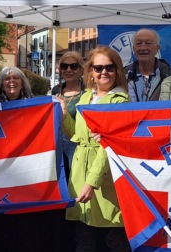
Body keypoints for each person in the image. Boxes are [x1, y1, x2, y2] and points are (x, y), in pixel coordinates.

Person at [59, 45, 131, 251]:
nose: (103, 73)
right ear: (90, 71)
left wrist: (92, 183)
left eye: (109, 67)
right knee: (84, 238)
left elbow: (108, 147)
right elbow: (76, 135)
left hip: (105, 179)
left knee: (113, 239)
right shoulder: (85, 97)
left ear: (117, 70)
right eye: (98, 68)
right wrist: (64, 116)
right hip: (80, 173)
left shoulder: (120, 101)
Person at [0, 67, 51, 252]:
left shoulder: (34, 106)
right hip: (1, 177)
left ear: (22, 82)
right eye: (7, 78)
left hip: (27, 176)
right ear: (1, 84)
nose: (11, 81)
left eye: (16, 78)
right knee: (3, 229)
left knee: (28, 230)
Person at [50, 51, 85, 251]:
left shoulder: (88, 93)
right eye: (65, 66)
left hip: (78, 153)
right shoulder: (55, 90)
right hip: (59, 154)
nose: (69, 70)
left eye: (73, 66)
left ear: (81, 69)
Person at [124, 28, 171, 102]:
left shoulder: (170, 76)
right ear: (134, 49)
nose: (143, 47)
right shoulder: (123, 75)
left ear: (157, 48)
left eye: (148, 43)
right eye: (138, 43)